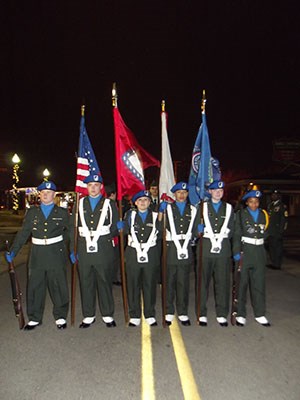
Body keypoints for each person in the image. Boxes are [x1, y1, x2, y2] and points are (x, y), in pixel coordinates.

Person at [6, 181, 70, 330]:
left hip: (55, 253)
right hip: (37, 254)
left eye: (49, 192)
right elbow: (24, 233)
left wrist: (67, 247)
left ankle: (60, 316)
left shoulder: (61, 212)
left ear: (54, 195)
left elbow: (70, 230)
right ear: (39, 195)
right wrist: (14, 251)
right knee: (35, 285)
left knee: (58, 285)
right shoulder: (32, 212)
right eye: (43, 192)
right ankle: (34, 317)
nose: (46, 194)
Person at [70, 174, 119, 328]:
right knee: (86, 282)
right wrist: (73, 249)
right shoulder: (79, 204)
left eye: (96, 185)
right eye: (90, 185)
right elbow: (74, 229)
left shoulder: (109, 204)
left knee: (104, 281)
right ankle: (88, 315)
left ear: (100, 187)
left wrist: (109, 234)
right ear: (86, 187)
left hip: (103, 249)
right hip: (84, 249)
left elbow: (115, 226)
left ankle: (107, 314)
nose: (93, 188)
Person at [118, 190, 161, 327]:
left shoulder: (155, 216)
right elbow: (124, 232)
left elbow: (160, 235)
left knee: (149, 284)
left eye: (146, 200)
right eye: (140, 200)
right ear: (135, 203)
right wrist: (120, 227)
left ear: (149, 202)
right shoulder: (129, 215)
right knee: (133, 284)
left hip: (150, 254)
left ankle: (149, 314)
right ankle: (134, 314)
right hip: (133, 253)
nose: (143, 203)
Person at [194, 180, 234, 327]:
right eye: (215, 190)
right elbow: (193, 229)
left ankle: (222, 313)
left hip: (222, 251)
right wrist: (198, 230)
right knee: (202, 283)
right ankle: (201, 313)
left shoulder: (229, 208)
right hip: (205, 250)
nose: (218, 192)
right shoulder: (202, 207)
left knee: (222, 283)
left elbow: (232, 230)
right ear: (209, 192)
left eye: (221, 190)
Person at [159, 182, 197, 326]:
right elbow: (159, 228)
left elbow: (194, 231)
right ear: (174, 194)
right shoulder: (168, 208)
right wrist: (161, 214)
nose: (182, 195)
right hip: (171, 249)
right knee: (169, 282)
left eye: (184, 192)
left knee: (183, 283)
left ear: (187, 194)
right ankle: (169, 311)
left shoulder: (193, 210)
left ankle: (182, 312)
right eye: (179, 193)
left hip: (185, 249)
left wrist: (199, 231)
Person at [232, 190, 270, 327]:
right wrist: (236, 251)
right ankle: (241, 314)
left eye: (257, 201)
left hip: (259, 252)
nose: (254, 204)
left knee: (259, 284)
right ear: (247, 202)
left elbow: (266, 232)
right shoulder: (240, 215)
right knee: (242, 284)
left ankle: (260, 314)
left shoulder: (264, 215)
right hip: (245, 252)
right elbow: (236, 234)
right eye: (251, 201)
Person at [266, 189, 288, 270]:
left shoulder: (282, 206)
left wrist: (281, 231)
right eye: (272, 195)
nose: (273, 196)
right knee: (271, 247)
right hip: (270, 231)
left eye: (275, 195)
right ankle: (273, 262)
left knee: (277, 248)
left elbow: (284, 219)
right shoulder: (270, 205)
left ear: (278, 196)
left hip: (277, 231)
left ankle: (277, 264)